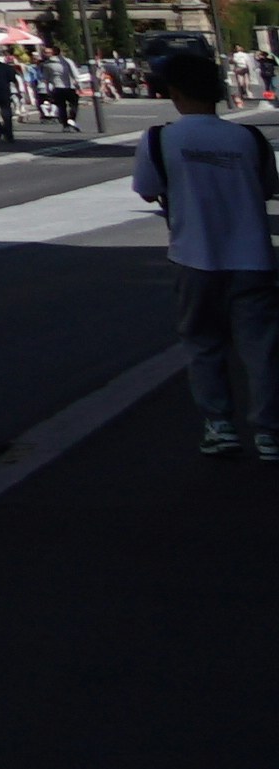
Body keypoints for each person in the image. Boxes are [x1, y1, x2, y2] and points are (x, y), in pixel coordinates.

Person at [131, 41, 276, 461]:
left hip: (194, 255)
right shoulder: (248, 137)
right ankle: (270, 432)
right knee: (262, 348)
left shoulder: (159, 139)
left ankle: (220, 425)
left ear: (174, 92)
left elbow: (147, 190)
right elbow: (269, 187)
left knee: (202, 342)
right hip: (252, 256)